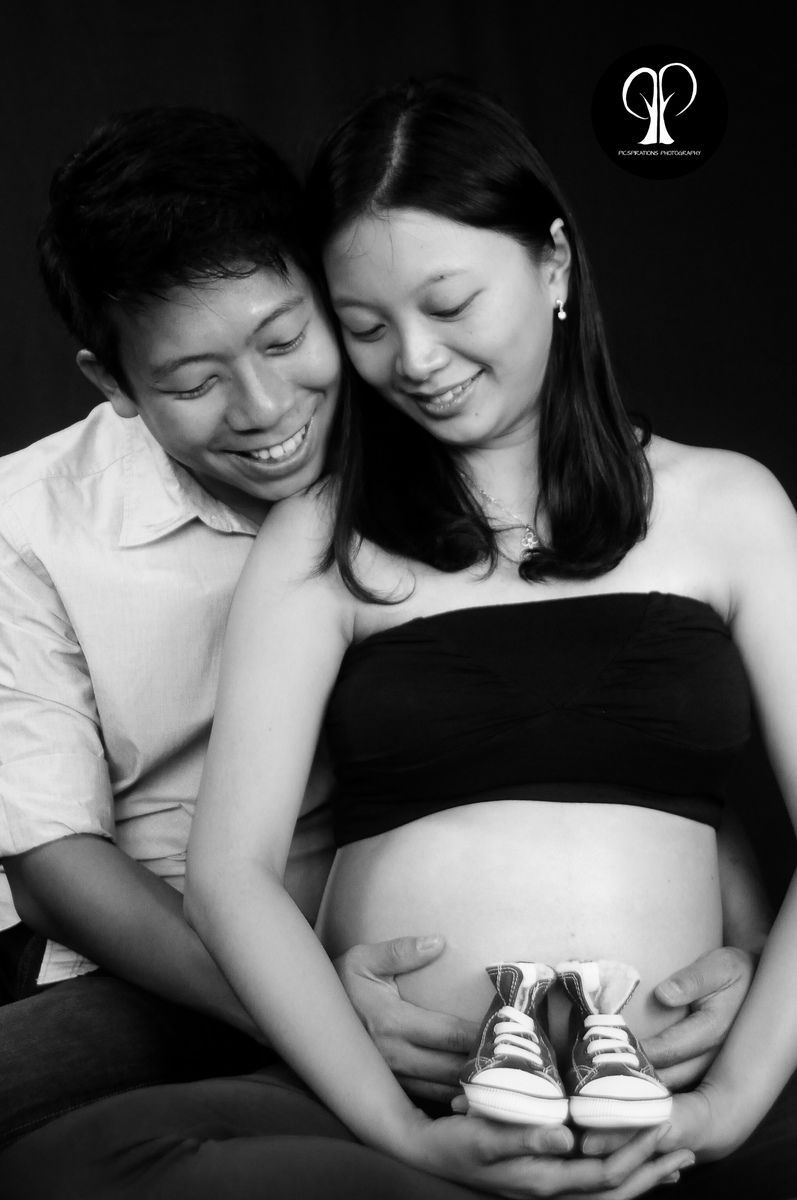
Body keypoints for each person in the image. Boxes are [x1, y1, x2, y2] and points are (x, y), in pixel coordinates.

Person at [1, 79, 789, 1200]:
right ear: (115, 382)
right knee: (62, 1145)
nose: (412, 361)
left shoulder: (722, 505)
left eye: (292, 337)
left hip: (647, 1060)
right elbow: (121, 866)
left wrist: (729, 1066)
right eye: (368, 326)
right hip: (292, 1024)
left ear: (554, 264)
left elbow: (654, 771)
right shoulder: (301, 532)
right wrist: (373, 1085)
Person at [0, 104, 521, 1149]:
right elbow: (54, 862)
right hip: (167, 963)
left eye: (285, 340)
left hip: (441, 951)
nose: (264, 407)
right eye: (193, 383)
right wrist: (311, 1011)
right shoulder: (29, 521)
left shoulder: (442, 428)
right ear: (113, 382)